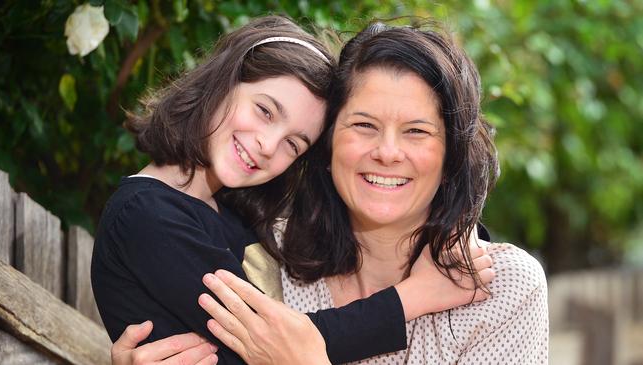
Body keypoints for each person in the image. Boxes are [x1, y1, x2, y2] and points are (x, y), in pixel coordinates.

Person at [92, 16, 496, 365]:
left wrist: (455, 230)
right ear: (223, 80)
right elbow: (284, 342)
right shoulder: (146, 214)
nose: (268, 144)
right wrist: (415, 295)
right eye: (265, 111)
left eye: (293, 144)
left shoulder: (222, 209)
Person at [196, 22, 549, 364]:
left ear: (451, 156)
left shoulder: (504, 290)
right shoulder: (261, 258)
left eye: (416, 131)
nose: (387, 152)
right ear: (328, 143)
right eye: (365, 125)